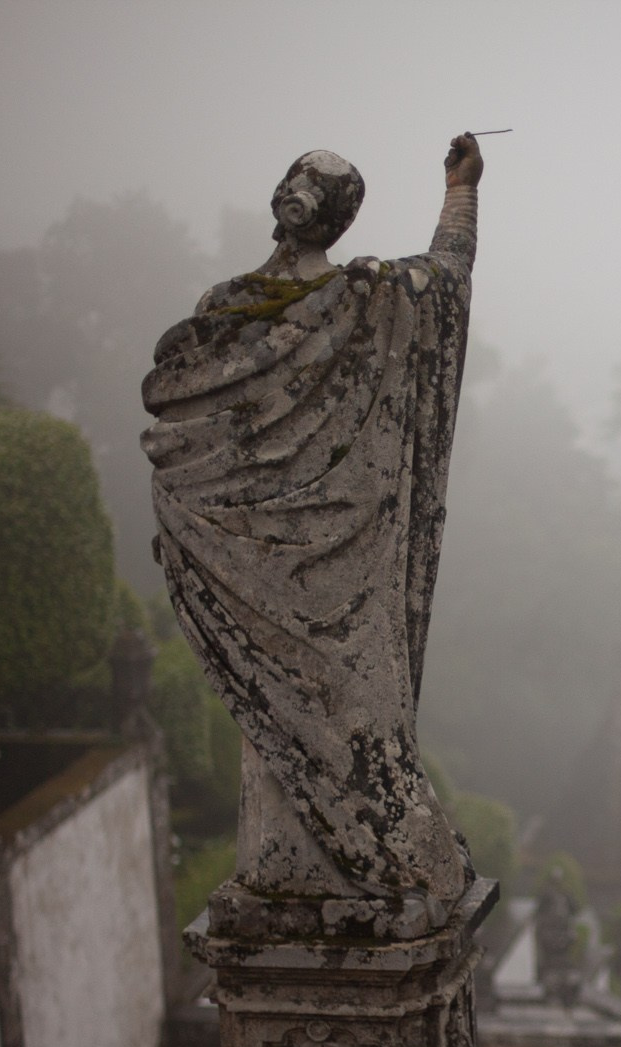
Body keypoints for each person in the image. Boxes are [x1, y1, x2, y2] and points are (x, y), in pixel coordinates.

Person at [143, 136, 485, 907]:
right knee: (342, 727)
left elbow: (183, 446)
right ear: (339, 219)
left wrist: (196, 537)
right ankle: (362, 855)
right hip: (315, 574)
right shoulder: (350, 303)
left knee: (323, 723)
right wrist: (461, 191)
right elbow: (447, 274)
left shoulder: (241, 311)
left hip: (284, 571)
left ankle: (337, 858)